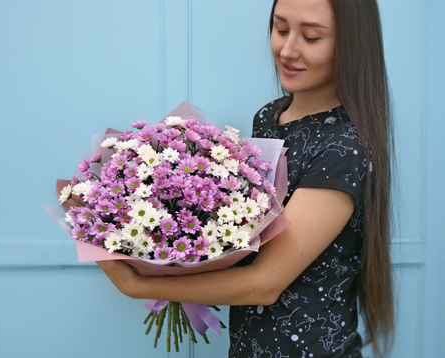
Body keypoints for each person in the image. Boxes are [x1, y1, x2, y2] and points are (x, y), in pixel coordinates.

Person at [96, 0, 395, 357]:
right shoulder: (270, 116)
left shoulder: (342, 149)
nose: (287, 50)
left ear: (352, 44)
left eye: (312, 37)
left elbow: (264, 284)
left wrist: (137, 285)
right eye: (281, 28)